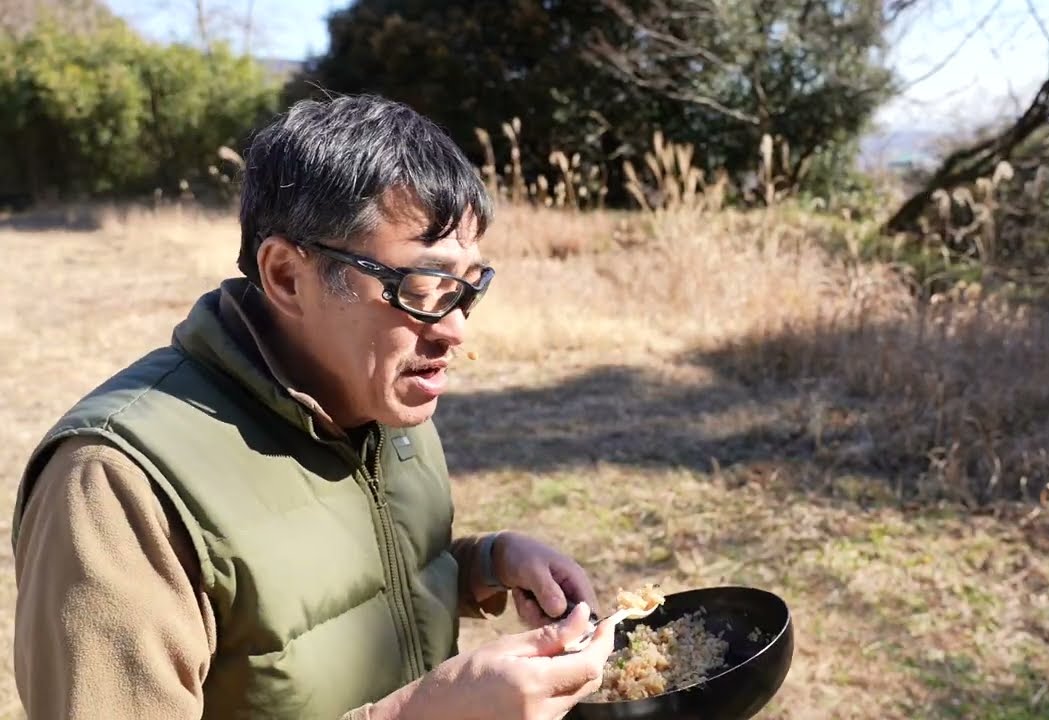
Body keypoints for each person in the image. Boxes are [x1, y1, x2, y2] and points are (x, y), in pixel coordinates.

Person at [11, 94, 621, 719]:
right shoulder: (115, 486)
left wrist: (489, 563)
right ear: (285, 276)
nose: (455, 328)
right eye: (421, 286)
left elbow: (352, 586)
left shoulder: (382, 399)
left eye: (467, 287)